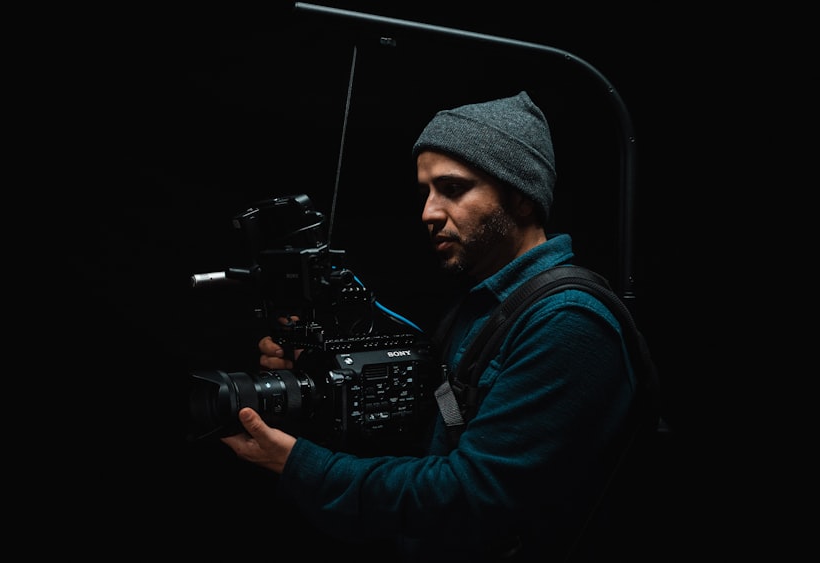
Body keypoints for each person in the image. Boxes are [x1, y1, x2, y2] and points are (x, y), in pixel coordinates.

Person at [221, 91, 657, 561]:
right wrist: (320, 380)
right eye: (426, 192)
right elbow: (427, 438)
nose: (428, 212)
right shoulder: (479, 307)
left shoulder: (568, 323)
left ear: (522, 197)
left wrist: (299, 464)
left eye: (452, 188)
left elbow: (467, 496)